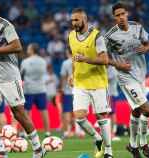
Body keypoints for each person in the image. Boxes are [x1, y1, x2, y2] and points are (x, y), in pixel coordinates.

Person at [0, 1, 46, 158]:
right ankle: (1, 152)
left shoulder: (5, 26)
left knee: (19, 113)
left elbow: (17, 46)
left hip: (9, 77)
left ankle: (38, 149)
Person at [105, 2, 149, 158]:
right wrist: (117, 64)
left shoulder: (137, 27)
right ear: (114, 17)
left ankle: (133, 146)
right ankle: (143, 143)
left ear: (127, 14)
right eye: (117, 15)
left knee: (136, 110)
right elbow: (103, 58)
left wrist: (145, 49)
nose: (121, 17)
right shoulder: (110, 36)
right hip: (125, 77)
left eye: (123, 14)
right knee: (147, 109)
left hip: (140, 74)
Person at [68, 8, 113, 158]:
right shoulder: (71, 36)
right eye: (72, 20)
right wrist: (72, 74)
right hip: (80, 83)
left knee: (102, 117)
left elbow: (105, 60)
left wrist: (85, 59)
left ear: (84, 20)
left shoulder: (96, 36)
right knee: (79, 117)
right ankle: (97, 138)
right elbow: (74, 58)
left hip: (98, 83)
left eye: (77, 20)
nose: (74, 23)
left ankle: (108, 151)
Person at [20, 43, 50, 137]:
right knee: (44, 110)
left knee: (26, 112)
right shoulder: (43, 61)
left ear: (32, 50)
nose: (27, 50)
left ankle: (25, 132)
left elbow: (21, 75)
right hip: (41, 88)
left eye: (29, 48)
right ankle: (47, 131)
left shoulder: (25, 61)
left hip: (29, 89)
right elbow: (44, 73)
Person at [59, 50, 74, 138]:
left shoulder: (65, 63)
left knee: (67, 111)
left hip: (68, 91)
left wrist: (62, 88)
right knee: (77, 111)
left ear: (68, 52)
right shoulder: (79, 61)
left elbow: (63, 76)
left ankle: (66, 132)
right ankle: (78, 131)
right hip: (79, 90)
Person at [107, 66, 121, 141]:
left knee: (112, 113)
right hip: (108, 94)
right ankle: (109, 133)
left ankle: (112, 133)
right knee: (108, 113)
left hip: (111, 94)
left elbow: (106, 79)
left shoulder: (112, 69)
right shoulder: (109, 68)